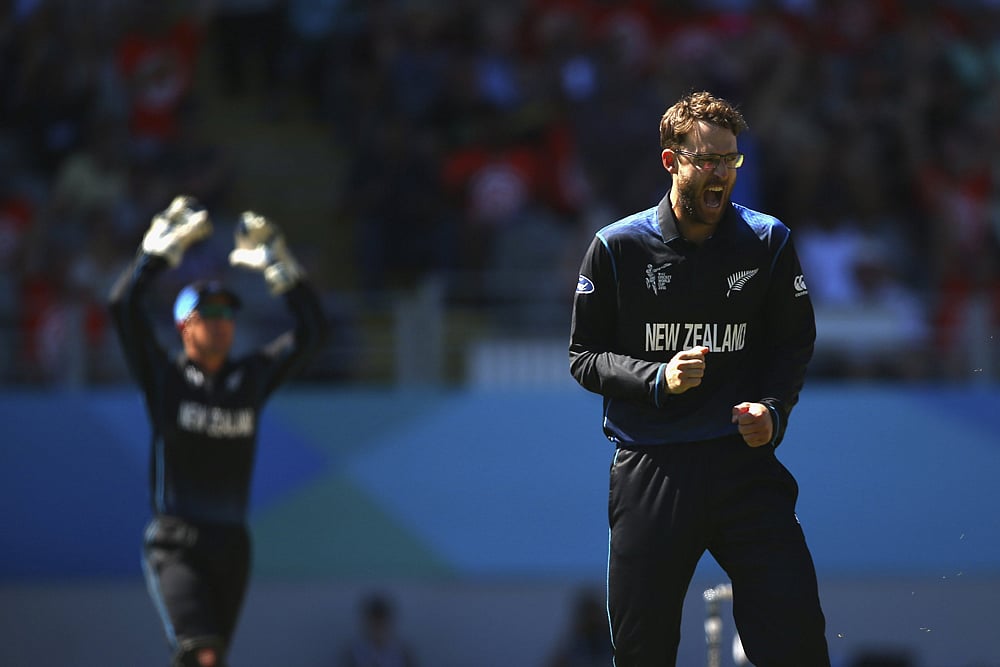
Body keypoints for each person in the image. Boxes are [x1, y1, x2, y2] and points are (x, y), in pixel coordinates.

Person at [568, 91, 830, 666]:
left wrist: (773, 409)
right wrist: (658, 377)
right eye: (707, 159)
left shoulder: (767, 241)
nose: (721, 173)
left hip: (743, 464)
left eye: (730, 160)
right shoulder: (617, 247)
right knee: (642, 651)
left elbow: (793, 342)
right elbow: (584, 357)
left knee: (798, 639)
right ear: (671, 161)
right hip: (652, 463)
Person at [108, 195, 327, 667]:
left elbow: (312, 334)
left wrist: (281, 269)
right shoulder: (166, 379)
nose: (221, 324)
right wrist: (154, 256)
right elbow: (123, 306)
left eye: (228, 315)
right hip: (176, 541)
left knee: (213, 657)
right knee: (201, 653)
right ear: (183, 327)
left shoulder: (249, 379)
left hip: (231, 543)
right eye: (208, 315)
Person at [339, 592, 419, 667]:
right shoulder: (352, 655)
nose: (378, 625)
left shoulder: (404, 654)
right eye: (374, 622)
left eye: (381, 621)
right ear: (366, 623)